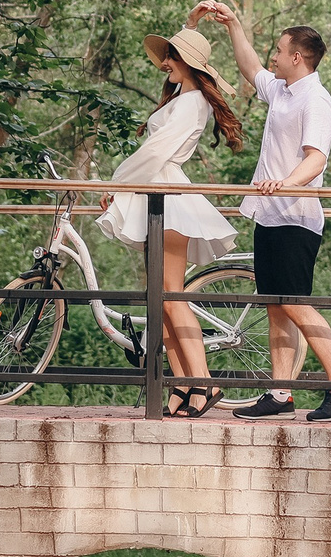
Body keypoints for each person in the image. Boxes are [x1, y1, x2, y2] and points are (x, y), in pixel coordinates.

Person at [188, 0, 331, 422]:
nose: (272, 57)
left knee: (296, 304)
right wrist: (233, 26)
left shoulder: (316, 100)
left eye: (279, 51)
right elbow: (250, 69)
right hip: (269, 214)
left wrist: (286, 183)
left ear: (297, 57)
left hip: (296, 217)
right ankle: (280, 394)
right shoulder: (283, 91)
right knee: (275, 306)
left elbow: (316, 160)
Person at [94, 26, 244, 417]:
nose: (164, 64)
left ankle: (204, 381)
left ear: (189, 64)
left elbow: (156, 150)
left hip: (169, 197)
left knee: (173, 296)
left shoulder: (192, 103)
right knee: (161, 300)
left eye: (171, 58)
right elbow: (155, 147)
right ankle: (183, 384)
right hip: (157, 194)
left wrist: (115, 182)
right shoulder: (184, 98)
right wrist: (191, 22)